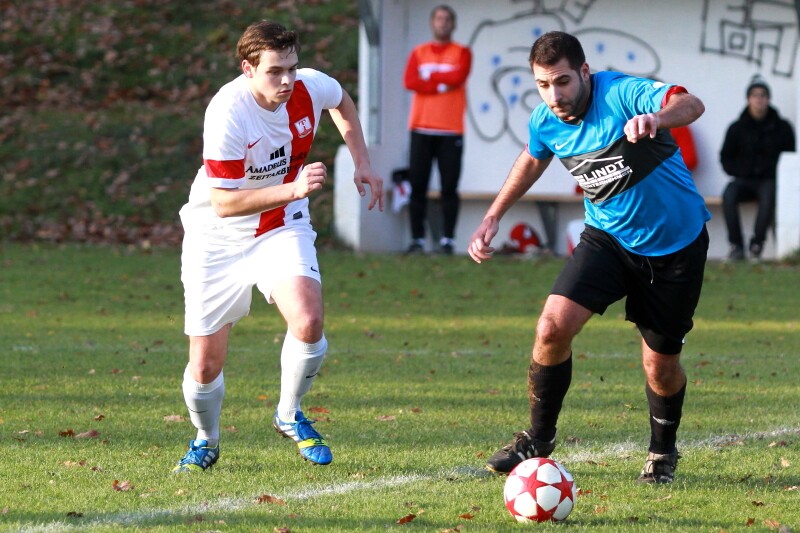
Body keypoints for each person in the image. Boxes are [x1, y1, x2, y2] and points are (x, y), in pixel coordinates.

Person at [468, 31, 709, 484]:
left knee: (660, 366)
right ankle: (538, 439)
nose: (554, 95)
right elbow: (532, 159)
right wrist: (493, 216)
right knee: (551, 328)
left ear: (584, 72)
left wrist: (657, 118)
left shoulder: (621, 93)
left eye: (562, 81)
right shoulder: (546, 120)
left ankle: (662, 451)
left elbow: (691, 104)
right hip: (607, 239)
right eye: (543, 85)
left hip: (675, 247)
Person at [172, 20, 383, 473]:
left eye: (291, 68)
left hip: (280, 225)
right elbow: (225, 204)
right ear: (248, 69)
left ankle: (289, 413)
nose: (286, 80)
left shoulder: (308, 86)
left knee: (308, 319)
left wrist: (362, 162)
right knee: (205, 365)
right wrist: (293, 189)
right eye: (274, 71)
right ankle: (206, 440)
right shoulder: (227, 111)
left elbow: (342, 101)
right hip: (216, 237)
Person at [403, 5, 472, 254]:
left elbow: (458, 77)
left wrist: (428, 79)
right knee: (417, 187)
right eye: (439, 19)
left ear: (453, 24)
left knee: (449, 188)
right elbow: (410, 81)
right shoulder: (419, 52)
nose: (443, 23)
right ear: (432, 23)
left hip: (451, 131)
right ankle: (417, 240)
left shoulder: (462, 52)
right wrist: (441, 85)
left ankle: (447, 240)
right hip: (420, 129)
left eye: (447, 19)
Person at [720, 75, 795, 261]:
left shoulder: (783, 127)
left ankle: (757, 244)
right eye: (755, 95)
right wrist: (741, 170)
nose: (759, 99)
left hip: (769, 180)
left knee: (768, 195)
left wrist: (771, 172)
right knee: (729, 194)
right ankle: (736, 246)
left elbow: (789, 157)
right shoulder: (736, 128)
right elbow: (726, 157)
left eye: (763, 95)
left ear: (768, 99)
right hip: (743, 180)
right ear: (748, 99)